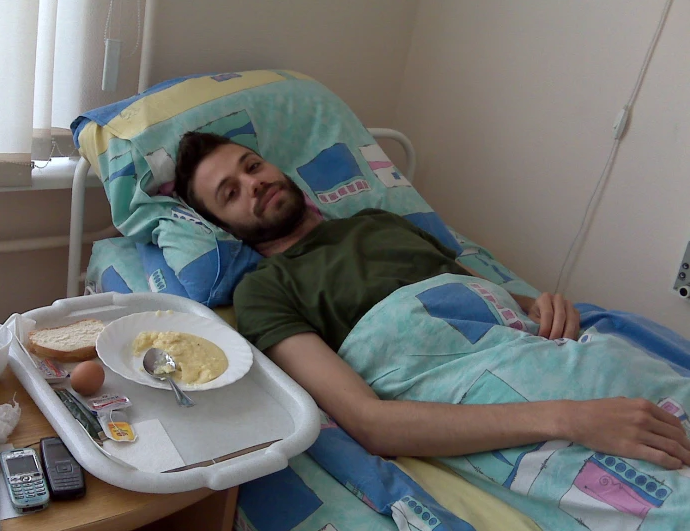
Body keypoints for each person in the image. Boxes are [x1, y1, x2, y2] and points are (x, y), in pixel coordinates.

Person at [174, 131, 690, 471]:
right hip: (503, 396)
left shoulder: (379, 221)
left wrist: (540, 303)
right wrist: (570, 419)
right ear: (226, 227)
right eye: (231, 193)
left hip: (548, 352)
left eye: (252, 165)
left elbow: (479, 296)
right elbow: (372, 424)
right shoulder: (263, 289)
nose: (254, 183)